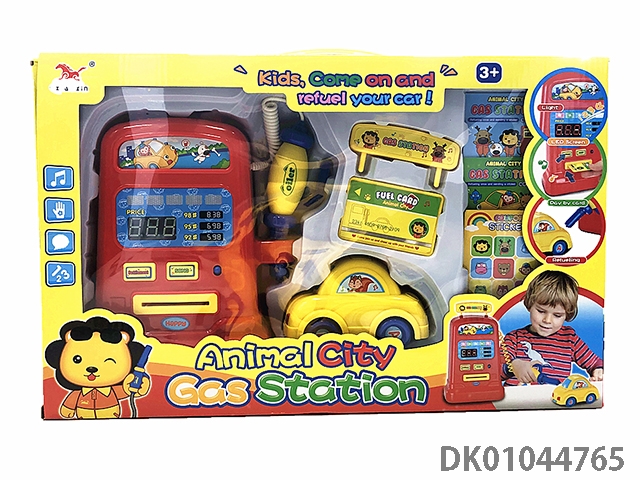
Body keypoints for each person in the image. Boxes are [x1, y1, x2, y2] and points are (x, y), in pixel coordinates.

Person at [501, 270, 603, 386]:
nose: (547, 320)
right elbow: (493, 371)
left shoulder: (570, 339)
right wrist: (513, 366)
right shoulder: (513, 339)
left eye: (557, 315)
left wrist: (598, 371)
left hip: (554, 397)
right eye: (541, 311)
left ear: (567, 314)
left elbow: (595, 362)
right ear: (529, 304)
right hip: (516, 397)